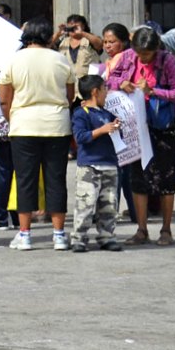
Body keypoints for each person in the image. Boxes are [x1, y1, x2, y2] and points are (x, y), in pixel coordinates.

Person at [98, 25, 175, 245]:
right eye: (140, 53)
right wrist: (122, 83)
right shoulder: (127, 57)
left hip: (163, 126)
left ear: (156, 49)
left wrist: (153, 91)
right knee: (138, 176)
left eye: (147, 54)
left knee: (165, 177)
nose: (143, 58)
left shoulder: (167, 61)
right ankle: (141, 228)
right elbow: (107, 81)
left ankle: (166, 229)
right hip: (134, 123)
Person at [0, 18, 74, 251]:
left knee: (25, 179)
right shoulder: (60, 59)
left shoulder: (14, 59)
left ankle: (25, 234)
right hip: (57, 124)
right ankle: (59, 235)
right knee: (56, 179)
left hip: (24, 125)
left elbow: (4, 98)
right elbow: (69, 95)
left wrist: (14, 118)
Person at [69, 77, 124, 253]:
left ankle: (107, 236)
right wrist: (102, 130)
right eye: (104, 88)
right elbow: (80, 137)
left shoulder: (106, 113)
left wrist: (116, 127)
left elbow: (116, 134)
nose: (106, 92)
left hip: (110, 164)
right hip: (89, 167)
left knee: (109, 204)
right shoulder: (81, 113)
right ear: (95, 91)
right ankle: (79, 238)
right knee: (85, 203)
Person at [59, 14, 104, 81]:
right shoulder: (63, 42)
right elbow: (46, 46)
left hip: (88, 83)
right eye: (70, 26)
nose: (73, 29)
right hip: (68, 84)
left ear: (83, 26)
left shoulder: (89, 39)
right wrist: (58, 33)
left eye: (76, 26)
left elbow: (100, 44)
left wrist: (83, 33)